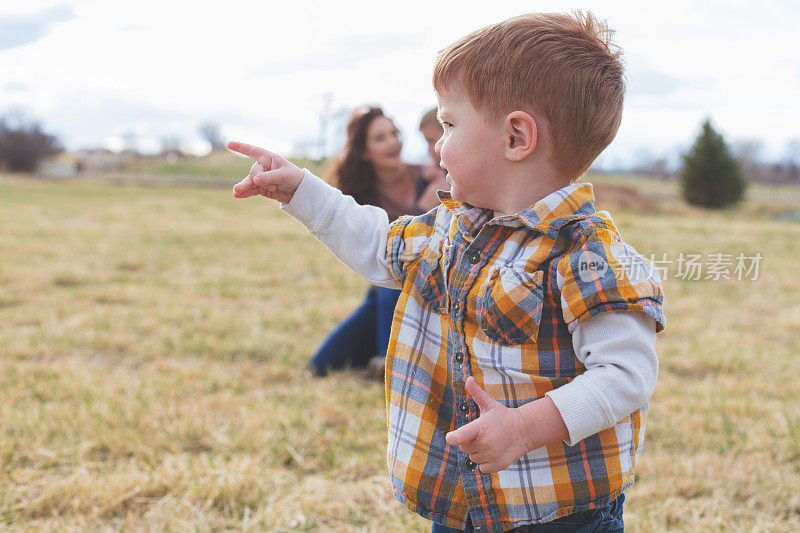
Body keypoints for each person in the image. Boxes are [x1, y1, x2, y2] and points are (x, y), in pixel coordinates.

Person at [229, 11, 665, 532]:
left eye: (450, 125)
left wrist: (526, 427)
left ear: (516, 137)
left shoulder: (585, 255)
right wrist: (302, 191)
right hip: (461, 497)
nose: (437, 145)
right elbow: (375, 245)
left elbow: (625, 376)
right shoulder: (449, 229)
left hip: (558, 511)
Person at [306, 106, 430, 377]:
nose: (393, 142)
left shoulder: (429, 177)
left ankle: (394, 369)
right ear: (363, 151)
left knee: (393, 266)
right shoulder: (360, 195)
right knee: (322, 365)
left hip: (428, 291)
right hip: (384, 293)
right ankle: (385, 356)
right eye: (380, 138)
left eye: (394, 133)